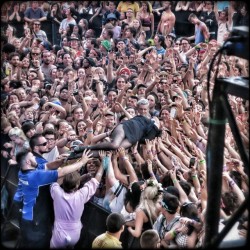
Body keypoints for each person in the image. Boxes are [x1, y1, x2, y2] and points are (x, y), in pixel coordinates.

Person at [13, 148, 93, 248]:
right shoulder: (35, 176)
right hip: (35, 220)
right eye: (33, 157)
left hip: (25, 216)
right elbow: (62, 173)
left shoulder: (23, 171)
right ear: (28, 161)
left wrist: (60, 162)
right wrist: (82, 162)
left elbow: (47, 166)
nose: (35, 158)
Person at [69, 98, 162, 158]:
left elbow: (145, 140)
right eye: (141, 109)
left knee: (111, 152)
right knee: (114, 145)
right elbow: (130, 118)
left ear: (148, 109)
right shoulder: (137, 118)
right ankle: (85, 148)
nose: (143, 111)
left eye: (145, 109)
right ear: (137, 109)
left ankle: (77, 155)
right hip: (125, 127)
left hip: (133, 138)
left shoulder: (153, 125)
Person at [50, 160, 104, 248]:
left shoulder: (56, 192)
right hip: (74, 234)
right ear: (77, 185)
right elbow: (96, 180)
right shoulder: (81, 195)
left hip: (59, 234)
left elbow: (57, 180)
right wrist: (103, 164)